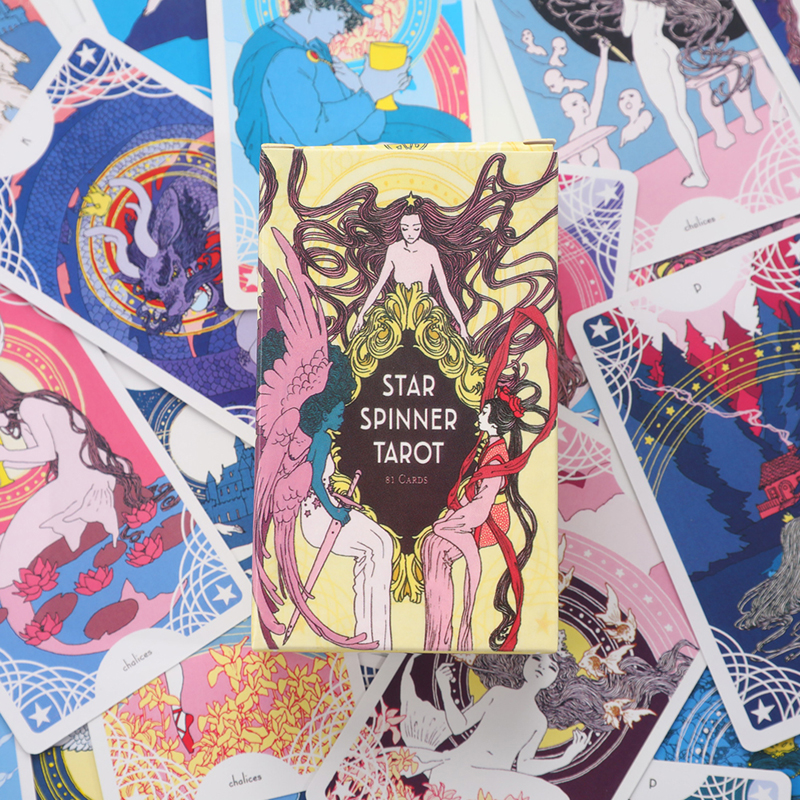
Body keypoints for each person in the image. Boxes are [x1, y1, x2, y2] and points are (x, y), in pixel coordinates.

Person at [232, 0, 470, 167]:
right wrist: (369, 92)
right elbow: (314, 132)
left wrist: (359, 87)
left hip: (347, 150)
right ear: (313, 3)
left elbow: (369, 128)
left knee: (450, 130)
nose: (341, 30)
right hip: (314, 173)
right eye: (339, 18)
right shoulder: (285, 58)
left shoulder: (314, 48)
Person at [422, 378, 551, 652]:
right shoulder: (490, 446)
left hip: (489, 522)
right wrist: (451, 516)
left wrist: (449, 524)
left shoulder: (496, 456)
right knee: (432, 542)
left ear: (493, 421)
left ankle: (441, 637)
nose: (479, 415)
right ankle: (437, 633)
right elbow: (474, 490)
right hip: (477, 513)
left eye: (484, 412)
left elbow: (481, 508)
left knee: (436, 546)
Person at [0, 373, 149, 589]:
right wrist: (7, 456)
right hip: (78, 476)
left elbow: (47, 452)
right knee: (12, 534)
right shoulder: (27, 408)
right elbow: (38, 458)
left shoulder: (29, 407)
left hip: (84, 478)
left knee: (19, 536)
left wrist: (5, 454)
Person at [300, 399, 393, 648]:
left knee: (381, 544)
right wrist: (334, 511)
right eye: (338, 414)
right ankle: (375, 634)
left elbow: (322, 483)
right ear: (324, 414)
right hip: (321, 516)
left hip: (324, 508)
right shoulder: (322, 439)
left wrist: (338, 500)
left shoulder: (314, 438)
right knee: (379, 546)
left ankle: (372, 631)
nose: (342, 419)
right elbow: (314, 482)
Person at [353, 201, 469, 337]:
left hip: (426, 308)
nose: (410, 233)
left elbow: (445, 291)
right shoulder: (394, 249)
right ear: (399, 227)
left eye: (415, 228)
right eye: (405, 228)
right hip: (397, 309)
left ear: (422, 227)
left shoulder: (430, 250)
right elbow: (379, 285)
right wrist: (361, 315)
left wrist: (462, 325)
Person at [560, 36, 620, 169]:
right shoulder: (573, 139)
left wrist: (604, 52)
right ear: (567, 113)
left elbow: (600, 85)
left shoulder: (591, 121)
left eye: (583, 100)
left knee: (602, 145)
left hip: (615, 172)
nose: (583, 105)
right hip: (593, 178)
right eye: (575, 104)